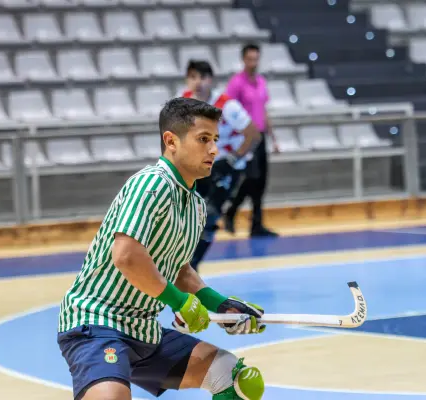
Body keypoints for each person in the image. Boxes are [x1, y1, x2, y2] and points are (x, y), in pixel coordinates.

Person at [56, 97, 266, 400]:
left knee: (235, 379)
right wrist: (179, 302)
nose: (213, 150)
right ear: (171, 141)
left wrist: (219, 305)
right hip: (97, 323)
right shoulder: (151, 185)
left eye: (215, 140)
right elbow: (126, 256)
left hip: (143, 330)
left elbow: (178, 268)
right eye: (203, 139)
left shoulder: (195, 204)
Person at [181, 60, 261, 270]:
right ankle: (181, 263)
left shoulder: (227, 105)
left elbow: (253, 135)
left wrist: (233, 159)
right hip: (201, 165)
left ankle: (193, 266)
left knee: (210, 214)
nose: (196, 82)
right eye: (192, 77)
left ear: (210, 80)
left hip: (227, 164)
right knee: (186, 216)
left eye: (201, 77)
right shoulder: (184, 103)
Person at [224, 43, 279, 238]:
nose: (253, 63)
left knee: (261, 181)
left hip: (260, 136)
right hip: (245, 137)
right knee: (251, 177)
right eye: (250, 59)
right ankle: (231, 211)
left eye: (256, 59)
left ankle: (257, 224)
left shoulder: (261, 82)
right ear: (243, 60)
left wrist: (273, 138)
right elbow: (228, 110)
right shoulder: (237, 83)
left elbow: (263, 111)